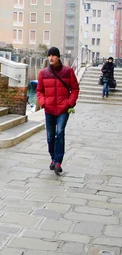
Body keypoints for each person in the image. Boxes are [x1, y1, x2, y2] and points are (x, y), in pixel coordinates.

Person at [36, 47, 79, 175]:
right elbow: (39, 90)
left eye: (54, 55)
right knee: (50, 137)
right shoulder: (43, 73)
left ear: (58, 57)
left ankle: (58, 162)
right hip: (49, 109)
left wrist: (69, 103)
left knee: (60, 133)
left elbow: (75, 89)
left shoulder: (68, 72)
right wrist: (43, 102)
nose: (51, 58)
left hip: (63, 109)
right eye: (49, 56)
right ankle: (53, 158)